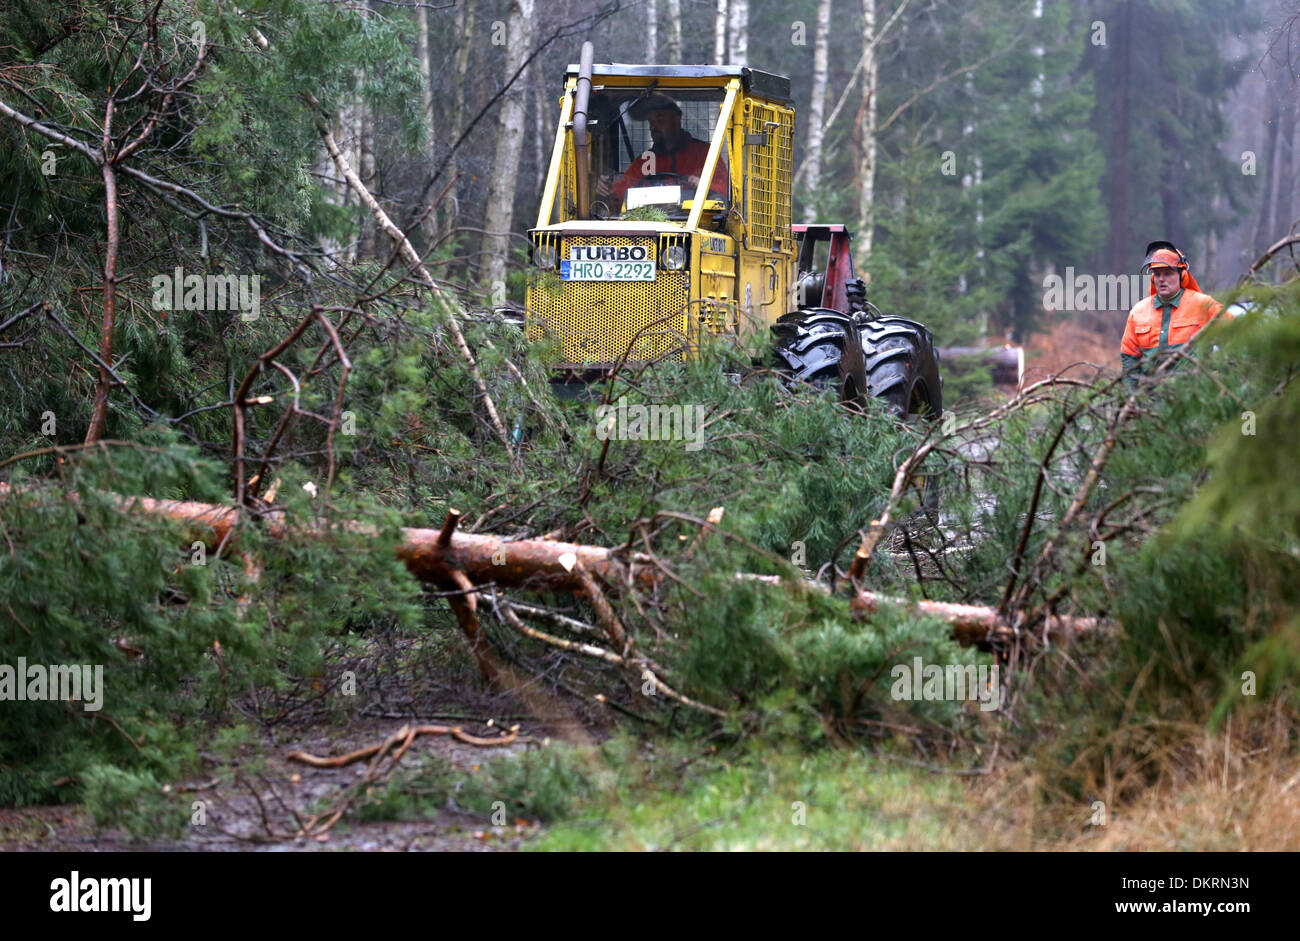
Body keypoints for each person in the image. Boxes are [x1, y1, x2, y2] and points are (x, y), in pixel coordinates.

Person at [1119, 241, 1229, 385]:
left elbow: (1236, 334)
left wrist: (1219, 371)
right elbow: (1129, 360)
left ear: (1182, 275)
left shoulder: (1203, 305)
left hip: (1194, 396)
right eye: (1157, 274)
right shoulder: (1138, 312)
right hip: (1151, 399)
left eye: (1168, 273)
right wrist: (1130, 398)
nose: (1161, 279)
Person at [595, 95, 729, 206]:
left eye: (659, 119)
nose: (653, 126)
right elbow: (622, 193)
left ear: (676, 120)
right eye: (650, 121)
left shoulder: (705, 153)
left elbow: (725, 191)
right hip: (648, 227)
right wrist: (607, 189)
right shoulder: (643, 162)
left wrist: (704, 185)